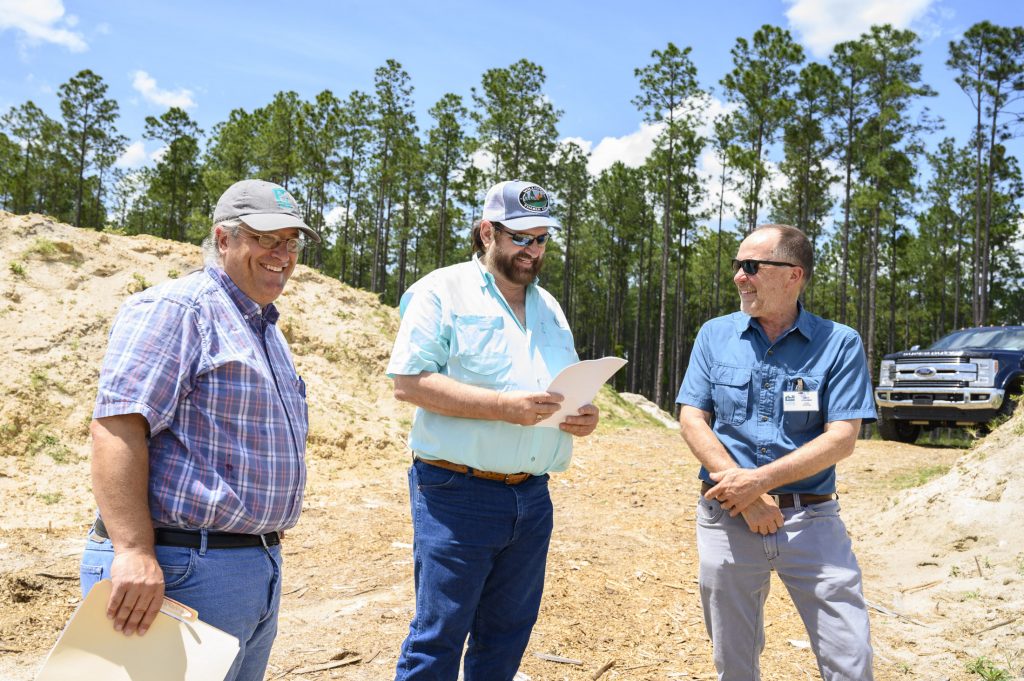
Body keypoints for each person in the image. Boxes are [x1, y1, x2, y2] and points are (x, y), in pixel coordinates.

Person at [79, 179, 320, 681]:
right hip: (179, 569)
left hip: (249, 566)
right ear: (224, 239)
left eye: (291, 241)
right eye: (267, 238)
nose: (283, 254)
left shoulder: (263, 328)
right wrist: (133, 551)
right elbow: (117, 428)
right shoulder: (178, 309)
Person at [386, 179, 600, 680]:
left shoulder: (550, 308)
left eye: (542, 239)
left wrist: (585, 418)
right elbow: (409, 383)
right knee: (438, 638)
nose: (533, 251)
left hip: (532, 498)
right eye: (521, 238)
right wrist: (504, 407)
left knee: (505, 639)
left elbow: (561, 388)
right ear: (487, 232)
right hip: (456, 493)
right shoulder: (442, 290)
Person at [676, 224, 877, 681]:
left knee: (850, 657)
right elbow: (693, 418)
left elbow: (843, 436)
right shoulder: (714, 335)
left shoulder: (839, 342)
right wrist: (745, 496)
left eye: (751, 266)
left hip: (812, 520)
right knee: (735, 666)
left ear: (794, 275)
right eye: (737, 266)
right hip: (727, 518)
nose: (739, 278)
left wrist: (760, 482)